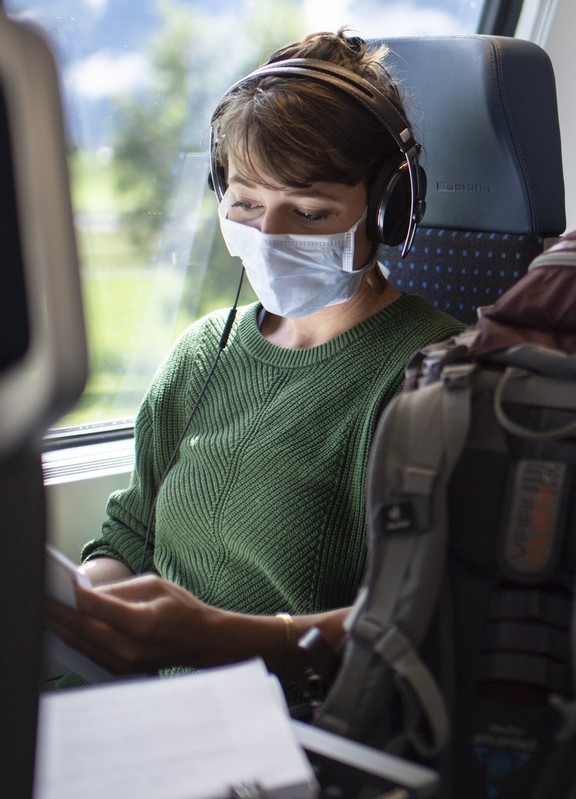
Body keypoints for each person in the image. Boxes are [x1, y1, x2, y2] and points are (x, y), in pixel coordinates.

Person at [45, 30, 465, 693]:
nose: (269, 237)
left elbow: (419, 626)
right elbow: (129, 536)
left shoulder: (433, 376)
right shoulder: (199, 353)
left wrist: (217, 639)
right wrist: (87, 609)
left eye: (308, 211)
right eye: (245, 204)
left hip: (292, 732)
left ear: (389, 210)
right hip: (137, 709)